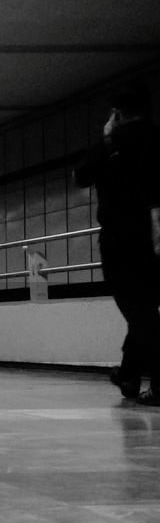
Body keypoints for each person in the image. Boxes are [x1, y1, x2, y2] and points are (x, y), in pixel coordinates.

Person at [74, 83, 160, 405]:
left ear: (118, 113)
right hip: (157, 233)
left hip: (122, 238)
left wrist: (105, 136)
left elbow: (80, 177)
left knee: (139, 312)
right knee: (146, 310)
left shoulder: (109, 144)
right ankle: (128, 373)